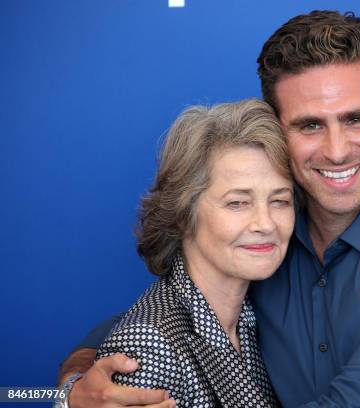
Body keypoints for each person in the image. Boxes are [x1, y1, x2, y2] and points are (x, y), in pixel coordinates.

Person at [58, 10, 360, 407]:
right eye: (310, 124)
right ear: (279, 133)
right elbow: (171, 314)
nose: (336, 151)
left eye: (355, 119)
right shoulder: (269, 237)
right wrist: (78, 384)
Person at [56, 99, 294, 407]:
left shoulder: (246, 318)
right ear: (183, 215)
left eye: (280, 201)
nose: (265, 223)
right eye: (237, 203)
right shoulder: (147, 348)